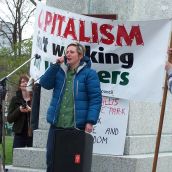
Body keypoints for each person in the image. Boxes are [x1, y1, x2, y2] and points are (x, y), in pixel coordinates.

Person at [39, 42, 102, 172]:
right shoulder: (60, 71)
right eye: (67, 52)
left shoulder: (89, 74)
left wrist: (90, 121)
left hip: (76, 126)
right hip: (57, 126)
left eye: (72, 52)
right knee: (51, 160)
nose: (68, 54)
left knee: (73, 164)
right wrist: (56, 64)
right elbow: (44, 83)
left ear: (80, 55)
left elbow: (95, 99)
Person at [7, 74, 33, 148]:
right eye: (22, 82)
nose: (25, 83)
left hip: (32, 134)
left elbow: (40, 116)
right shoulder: (15, 99)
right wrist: (19, 110)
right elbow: (9, 119)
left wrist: (31, 110)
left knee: (32, 158)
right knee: (16, 158)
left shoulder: (35, 98)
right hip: (19, 134)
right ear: (19, 86)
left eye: (27, 82)